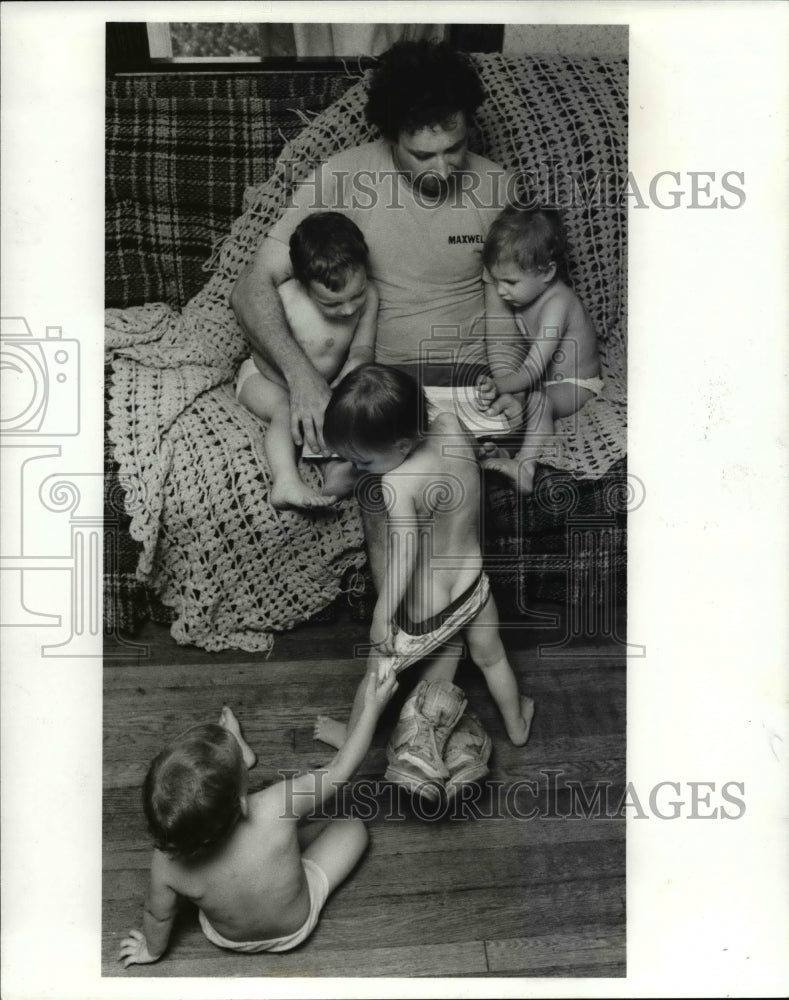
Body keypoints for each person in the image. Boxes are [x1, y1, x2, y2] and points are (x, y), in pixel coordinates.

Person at [231, 38, 518, 688]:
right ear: (387, 134)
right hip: (384, 384)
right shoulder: (342, 177)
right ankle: (405, 666)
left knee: (442, 496)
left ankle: (432, 690)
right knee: (390, 492)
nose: (444, 166)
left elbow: (502, 300)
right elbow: (249, 288)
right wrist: (304, 380)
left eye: (455, 147)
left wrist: (507, 379)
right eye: (423, 153)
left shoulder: (498, 182)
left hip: (464, 382)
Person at [312, 365, 534, 752]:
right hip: (473, 587)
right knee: (492, 658)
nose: (358, 470)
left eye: (363, 462)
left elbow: (404, 555)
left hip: (426, 610)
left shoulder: (398, 483)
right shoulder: (450, 426)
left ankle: (350, 738)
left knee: (378, 674)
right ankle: (517, 724)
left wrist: (382, 619)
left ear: (400, 446)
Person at [117, 685, 397, 966]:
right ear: (242, 800)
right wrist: (372, 708)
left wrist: (151, 951)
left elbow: (158, 915)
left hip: (227, 936)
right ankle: (274, 830)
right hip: (295, 927)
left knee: (270, 835)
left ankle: (249, 780)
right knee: (352, 826)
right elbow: (341, 767)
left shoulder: (167, 862)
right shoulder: (276, 804)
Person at [236, 211, 377, 508]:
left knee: (345, 421)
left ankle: (335, 473)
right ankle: (285, 482)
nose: (350, 309)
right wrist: (292, 384)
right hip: (263, 379)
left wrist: (353, 369)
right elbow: (264, 344)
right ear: (302, 283)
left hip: (325, 387)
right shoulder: (286, 297)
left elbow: (362, 349)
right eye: (332, 303)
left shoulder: (371, 297)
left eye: (357, 294)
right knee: (285, 410)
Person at [475, 206, 602, 493]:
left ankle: (526, 466)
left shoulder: (557, 304)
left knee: (539, 403)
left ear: (547, 272)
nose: (501, 291)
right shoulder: (525, 295)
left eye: (510, 282)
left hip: (578, 385)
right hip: (546, 380)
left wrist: (500, 384)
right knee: (517, 403)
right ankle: (503, 453)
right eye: (496, 281)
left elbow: (531, 370)